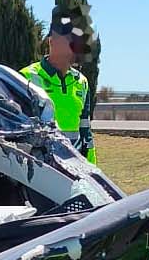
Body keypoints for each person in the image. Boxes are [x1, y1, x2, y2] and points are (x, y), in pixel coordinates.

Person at [21, 15, 97, 164]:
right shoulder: (26, 77)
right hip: (40, 167)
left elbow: (85, 130)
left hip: (74, 167)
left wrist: (92, 166)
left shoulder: (81, 82)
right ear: (51, 41)